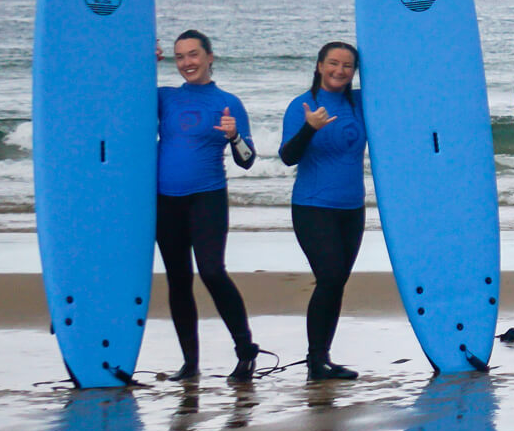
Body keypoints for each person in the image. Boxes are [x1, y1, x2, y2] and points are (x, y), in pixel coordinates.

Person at [157, 30, 259, 381]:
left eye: (193, 54)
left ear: (209, 57)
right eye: (180, 57)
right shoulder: (163, 98)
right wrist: (143, 66)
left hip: (207, 196)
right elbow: (119, 102)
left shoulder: (227, 102)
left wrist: (234, 136)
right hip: (165, 201)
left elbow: (247, 160)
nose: (187, 62)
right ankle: (190, 364)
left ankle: (246, 350)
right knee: (178, 280)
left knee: (212, 271)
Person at [278, 41, 367, 380]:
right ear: (318, 65)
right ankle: (316, 361)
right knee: (329, 277)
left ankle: (322, 358)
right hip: (312, 206)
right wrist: (309, 128)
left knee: (336, 282)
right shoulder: (302, 105)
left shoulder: (361, 103)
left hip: (352, 208)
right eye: (333, 63)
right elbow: (288, 157)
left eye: (347, 66)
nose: (339, 71)